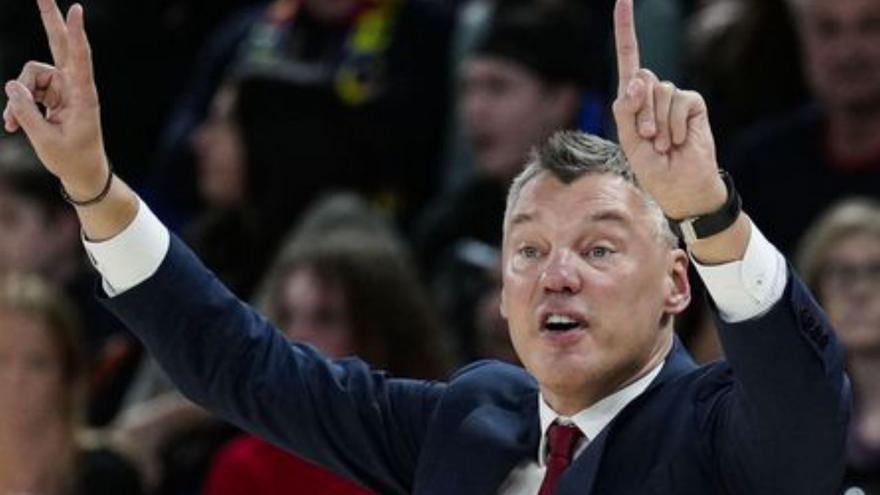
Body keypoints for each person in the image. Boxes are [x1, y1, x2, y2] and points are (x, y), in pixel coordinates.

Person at [3, 1, 849, 494]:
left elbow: (803, 405)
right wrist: (93, 187)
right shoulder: (470, 418)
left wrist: (707, 211)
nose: (555, 273)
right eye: (527, 250)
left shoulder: (718, 433)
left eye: (598, 249)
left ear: (675, 284)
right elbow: (244, 364)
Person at [205, 192, 448, 495]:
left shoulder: (439, 450)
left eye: (326, 318)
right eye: (288, 316)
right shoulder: (246, 466)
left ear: (381, 332)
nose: (296, 339)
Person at [725, 0, 880, 255]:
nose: (848, 51)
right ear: (802, 39)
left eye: (870, 27)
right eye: (828, 30)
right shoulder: (758, 167)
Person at [0, 272, 143, 495]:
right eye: (2, 359)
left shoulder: (107, 477)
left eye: (37, 363)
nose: (16, 379)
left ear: (68, 375)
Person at [796, 198, 880, 494]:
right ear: (817, 293)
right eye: (842, 273)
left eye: (876, 270)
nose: (860, 290)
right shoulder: (796, 410)